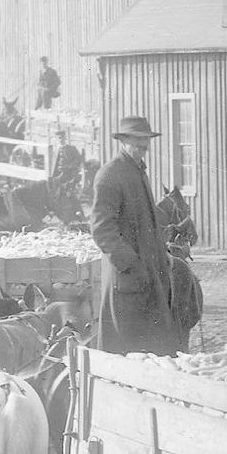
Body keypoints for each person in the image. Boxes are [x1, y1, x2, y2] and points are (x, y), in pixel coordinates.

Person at [88, 116, 182, 355]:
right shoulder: (110, 175)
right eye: (137, 140)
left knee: (154, 349)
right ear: (123, 140)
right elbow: (102, 229)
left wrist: (162, 254)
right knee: (127, 351)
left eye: (146, 141)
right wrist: (131, 264)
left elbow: (148, 224)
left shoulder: (139, 173)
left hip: (151, 274)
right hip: (128, 280)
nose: (143, 146)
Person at [49, 128, 86, 203]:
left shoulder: (71, 148)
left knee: (59, 182)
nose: (60, 140)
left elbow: (78, 159)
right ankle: (55, 198)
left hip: (68, 172)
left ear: (65, 138)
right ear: (56, 139)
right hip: (56, 171)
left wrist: (70, 166)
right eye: (59, 138)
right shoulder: (55, 149)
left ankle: (62, 198)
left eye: (62, 138)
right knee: (51, 182)